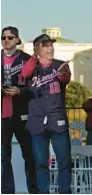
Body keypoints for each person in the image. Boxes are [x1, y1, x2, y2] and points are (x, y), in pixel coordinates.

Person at [21, 34, 71, 194]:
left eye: (51, 45)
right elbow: (24, 73)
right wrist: (34, 56)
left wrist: (62, 73)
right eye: (46, 45)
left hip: (57, 119)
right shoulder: (32, 66)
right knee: (41, 162)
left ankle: (65, 192)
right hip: (37, 121)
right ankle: (43, 192)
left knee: (64, 161)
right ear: (37, 48)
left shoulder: (60, 65)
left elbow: (65, 78)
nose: (50, 48)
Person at [1, 26, 38, 194]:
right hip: (3, 114)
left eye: (10, 37)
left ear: (17, 39)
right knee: (3, 157)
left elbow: (36, 88)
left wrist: (20, 91)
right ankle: (7, 191)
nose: (6, 40)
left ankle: (33, 190)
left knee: (29, 155)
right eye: (3, 37)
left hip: (23, 113)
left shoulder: (27, 59)